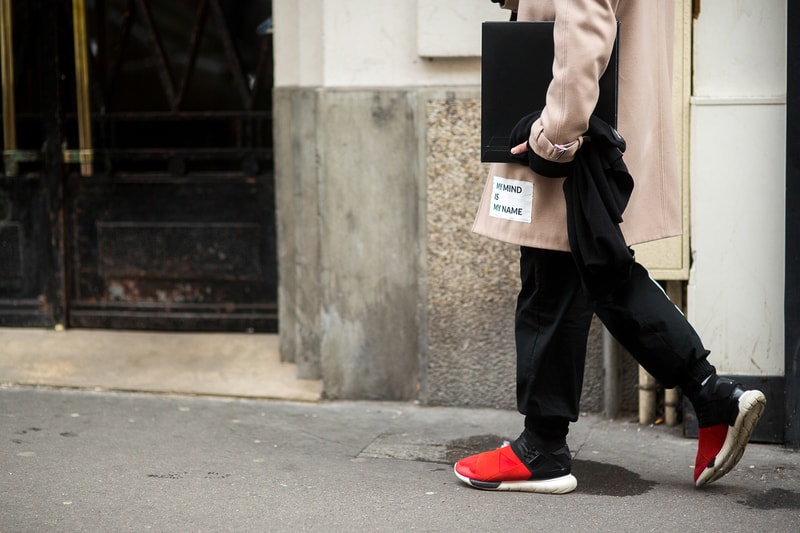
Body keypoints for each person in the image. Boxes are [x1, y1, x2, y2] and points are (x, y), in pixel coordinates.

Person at [455, 0, 766, 494]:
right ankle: (712, 395)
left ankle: (542, 450)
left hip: (576, 129)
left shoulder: (562, 132)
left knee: (551, 283)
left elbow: (586, 24)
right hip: (605, 120)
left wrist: (553, 137)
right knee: (600, 269)